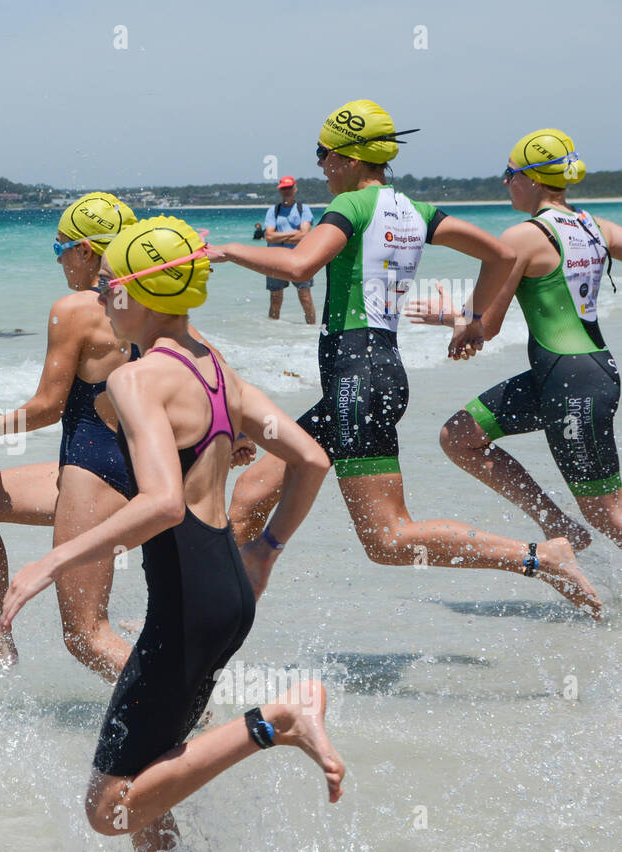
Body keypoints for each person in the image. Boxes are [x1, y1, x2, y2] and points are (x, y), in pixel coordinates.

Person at [0, 216, 341, 852]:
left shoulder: (138, 378)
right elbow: (312, 459)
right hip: (224, 597)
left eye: (108, 286)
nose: (100, 300)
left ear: (136, 291)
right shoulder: (214, 368)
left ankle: (278, 722)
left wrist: (55, 560)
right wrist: (264, 551)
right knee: (151, 789)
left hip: (187, 610)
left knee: (110, 810)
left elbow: (160, 504)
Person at [214, 100, 601, 617]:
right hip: (373, 373)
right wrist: (476, 322)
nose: (321, 166)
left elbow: (300, 264)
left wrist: (223, 250)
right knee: (251, 491)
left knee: (388, 539)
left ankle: (541, 556)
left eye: (323, 153)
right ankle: (206, 617)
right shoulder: (413, 210)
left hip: (358, 379)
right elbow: (501, 255)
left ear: (351, 159)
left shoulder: (351, 206)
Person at [0, 194, 253, 681]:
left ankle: (186, 712)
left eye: (60, 248)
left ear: (87, 251)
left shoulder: (75, 309)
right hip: (130, 474)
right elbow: (214, 374)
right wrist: (231, 435)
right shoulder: (152, 308)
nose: (61, 260)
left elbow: (46, 408)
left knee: (86, 634)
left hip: (96, 474)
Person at [407, 129, 622, 552]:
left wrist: (450, 317)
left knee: (608, 512)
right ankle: (559, 526)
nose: (506, 183)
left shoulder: (522, 237)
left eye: (510, 174)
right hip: (568, 378)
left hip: (572, 387)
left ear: (532, 179)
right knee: (460, 436)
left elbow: (486, 326)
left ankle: (573, 526)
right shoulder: (596, 227)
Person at [263, 176, 317, 323]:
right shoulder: (273, 210)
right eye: (283, 189)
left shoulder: (303, 209)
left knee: (305, 297)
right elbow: (268, 236)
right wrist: (293, 233)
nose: (287, 191)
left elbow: (304, 235)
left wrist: (279, 237)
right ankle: (273, 331)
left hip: (299, 257)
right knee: (275, 299)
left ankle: (311, 330)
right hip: (275, 259)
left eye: (289, 188)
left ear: (295, 188)